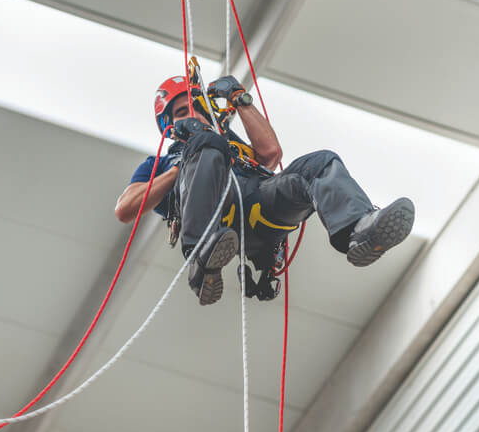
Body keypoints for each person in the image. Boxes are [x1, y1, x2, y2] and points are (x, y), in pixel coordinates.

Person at [114, 73, 415, 305]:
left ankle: (358, 229)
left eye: (197, 107)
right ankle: (201, 255)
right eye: (181, 112)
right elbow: (125, 209)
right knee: (208, 144)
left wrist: (239, 99)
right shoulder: (163, 163)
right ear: (168, 125)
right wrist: (179, 168)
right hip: (220, 217)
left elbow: (271, 154)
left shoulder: (230, 143)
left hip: (259, 208)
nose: (193, 115)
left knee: (319, 163)